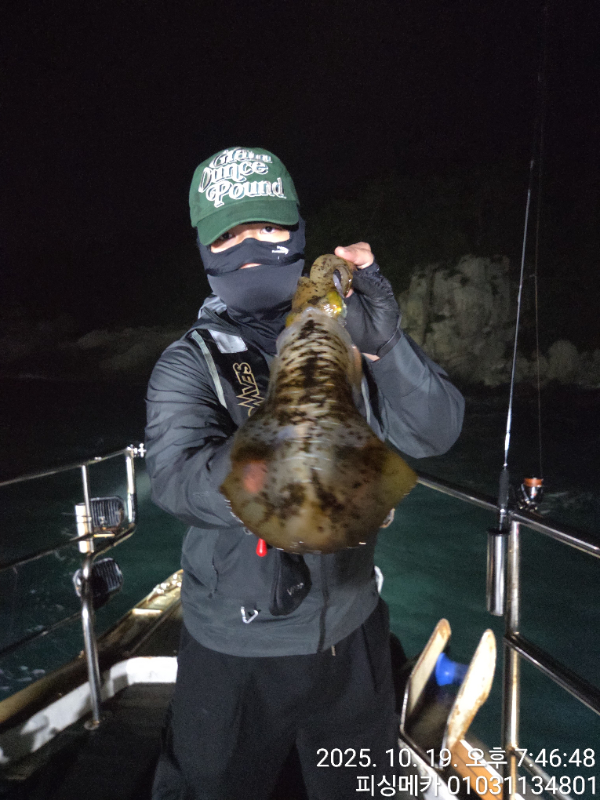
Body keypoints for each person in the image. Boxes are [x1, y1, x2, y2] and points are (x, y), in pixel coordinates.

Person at [145, 146, 464, 800]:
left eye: (268, 226)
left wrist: (385, 345)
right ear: (205, 249)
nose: (250, 247)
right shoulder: (191, 362)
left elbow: (436, 430)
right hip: (234, 649)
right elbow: (176, 480)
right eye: (229, 235)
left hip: (351, 627)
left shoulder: (350, 338)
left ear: (297, 230)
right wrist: (291, 421)